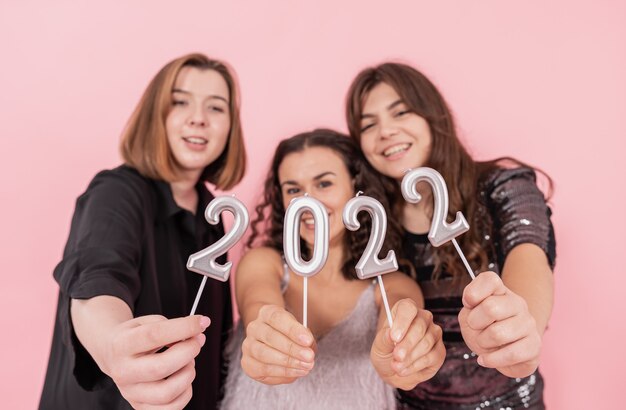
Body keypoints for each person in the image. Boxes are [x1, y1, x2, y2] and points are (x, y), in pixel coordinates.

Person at [40, 53, 246, 410]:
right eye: (180, 102)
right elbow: (97, 279)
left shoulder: (214, 217)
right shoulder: (116, 193)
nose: (198, 119)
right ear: (155, 115)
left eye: (216, 108)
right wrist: (112, 344)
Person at [345, 63, 556, 409]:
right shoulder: (370, 220)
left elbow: (529, 255)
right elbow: (389, 303)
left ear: (432, 117)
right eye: (368, 125)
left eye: (401, 112)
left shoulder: (503, 188)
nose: (385, 131)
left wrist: (522, 326)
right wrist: (396, 355)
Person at [220, 129, 446, 409]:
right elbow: (260, 306)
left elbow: (397, 323)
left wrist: (402, 354)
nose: (308, 202)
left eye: (324, 184)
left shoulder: (391, 285)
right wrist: (265, 340)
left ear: (356, 187)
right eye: (293, 189)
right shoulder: (264, 263)